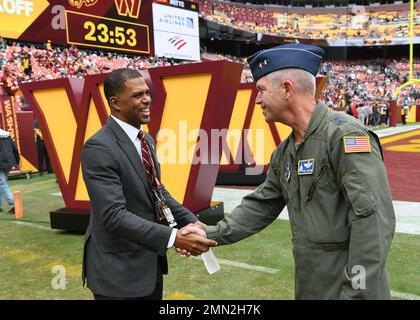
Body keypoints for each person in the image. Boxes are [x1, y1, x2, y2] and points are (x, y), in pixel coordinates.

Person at [183, 43, 396, 299]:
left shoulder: (344, 136)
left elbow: (373, 222)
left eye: (261, 90)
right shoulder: (284, 153)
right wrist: (208, 233)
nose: (257, 99)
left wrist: (357, 292)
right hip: (311, 287)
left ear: (287, 89)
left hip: (348, 291)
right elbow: (261, 205)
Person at [81, 68, 215, 300]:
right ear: (115, 103)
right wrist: (174, 238)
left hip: (149, 264)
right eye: (137, 95)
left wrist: (193, 221)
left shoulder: (146, 140)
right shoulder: (98, 147)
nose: (147, 100)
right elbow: (113, 215)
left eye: (147, 93)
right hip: (118, 273)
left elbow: (157, 190)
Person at [0, 128, 20, 214]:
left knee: (2, 184)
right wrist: (16, 161)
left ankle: (14, 205)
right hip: (9, 163)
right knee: (2, 184)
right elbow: (15, 149)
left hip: (1, 164)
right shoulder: (7, 135)